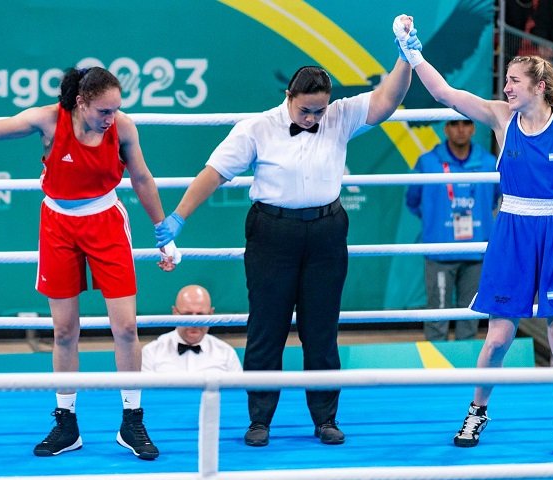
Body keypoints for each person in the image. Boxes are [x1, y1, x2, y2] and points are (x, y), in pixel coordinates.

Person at [0, 66, 182, 460]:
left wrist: (164, 232)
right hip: (58, 225)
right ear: (81, 102)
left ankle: (131, 420)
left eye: (115, 110)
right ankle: (66, 423)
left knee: (126, 327)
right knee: (64, 330)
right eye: (103, 111)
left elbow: (142, 178)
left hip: (107, 222)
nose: (111, 119)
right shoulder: (48, 120)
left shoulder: (123, 127)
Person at [394, 15, 553, 458]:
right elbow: (445, 93)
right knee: (497, 338)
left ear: (539, 86)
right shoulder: (500, 116)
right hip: (513, 230)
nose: (506, 87)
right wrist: (412, 51)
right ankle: (477, 411)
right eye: (506, 80)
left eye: (514, 80)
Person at [154, 23, 416, 447]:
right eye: (306, 111)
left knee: (322, 331)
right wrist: (178, 218)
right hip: (271, 234)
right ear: (289, 97)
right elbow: (214, 173)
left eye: (319, 111)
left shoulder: (339, 115)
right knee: (266, 330)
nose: (313, 119)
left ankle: (325, 419)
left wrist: (405, 59)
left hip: (327, 232)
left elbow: (388, 99)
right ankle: (259, 420)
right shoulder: (256, 128)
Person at [406, 119, 500, 341]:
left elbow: (494, 199)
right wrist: (435, 221)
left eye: (466, 123)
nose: (460, 129)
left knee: (470, 319)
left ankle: (465, 364)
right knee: (437, 319)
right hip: (440, 252)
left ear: (473, 128)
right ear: (446, 128)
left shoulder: (488, 163)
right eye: (454, 124)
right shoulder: (428, 163)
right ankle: (436, 364)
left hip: (476, 252)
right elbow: (413, 200)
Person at [141, 285, 242, 373]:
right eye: (187, 315)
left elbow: (240, 389)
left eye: (200, 315)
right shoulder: (151, 352)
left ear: (211, 314)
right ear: (175, 313)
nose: (194, 322)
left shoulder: (226, 353)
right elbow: (143, 390)